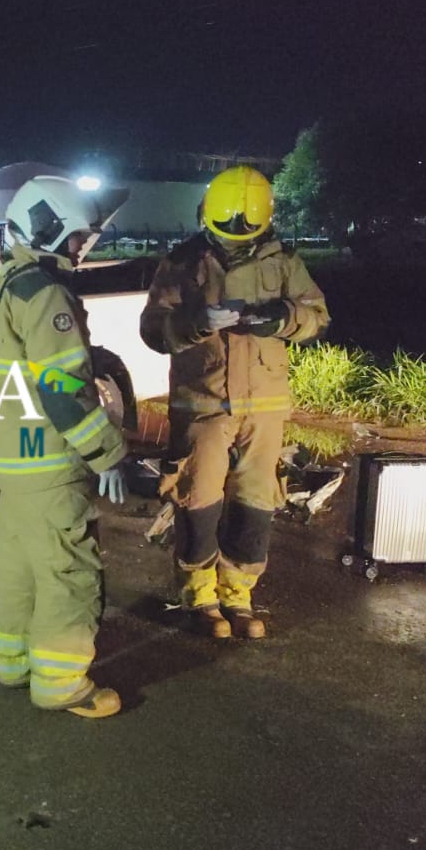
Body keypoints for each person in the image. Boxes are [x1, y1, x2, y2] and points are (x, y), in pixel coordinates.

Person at [139, 166, 330, 639]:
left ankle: (238, 596)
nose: (235, 235)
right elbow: (152, 329)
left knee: (255, 502)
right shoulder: (183, 263)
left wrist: (282, 318)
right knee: (197, 499)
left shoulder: (284, 261)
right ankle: (199, 596)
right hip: (200, 401)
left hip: (263, 404)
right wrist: (196, 322)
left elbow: (317, 316)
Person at [0, 175, 130, 720]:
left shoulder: (10, 283)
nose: (80, 248)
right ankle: (62, 684)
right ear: (53, 229)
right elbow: (63, 385)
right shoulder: (45, 292)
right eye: (77, 238)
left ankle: (15, 665)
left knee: (21, 567)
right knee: (68, 573)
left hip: (13, 462)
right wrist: (108, 453)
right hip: (49, 464)